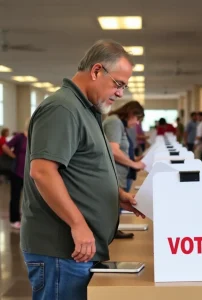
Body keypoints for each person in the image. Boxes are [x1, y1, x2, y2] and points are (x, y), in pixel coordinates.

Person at [20, 40, 145, 300]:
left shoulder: (86, 109)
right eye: (118, 84)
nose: (121, 94)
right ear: (97, 71)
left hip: (75, 250)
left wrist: (116, 193)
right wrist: (78, 225)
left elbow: (80, 168)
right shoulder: (62, 108)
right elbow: (42, 172)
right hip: (61, 249)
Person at [103, 101, 146, 239]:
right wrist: (134, 165)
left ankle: (113, 231)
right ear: (131, 113)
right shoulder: (114, 122)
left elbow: (121, 150)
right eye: (137, 119)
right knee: (110, 208)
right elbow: (113, 150)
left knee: (115, 208)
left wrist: (135, 159)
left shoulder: (118, 124)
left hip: (119, 175)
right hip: (113, 175)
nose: (137, 123)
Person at [2, 121, 28, 229]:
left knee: (28, 197)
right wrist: (13, 156)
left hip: (28, 173)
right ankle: (14, 219)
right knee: (15, 196)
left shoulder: (33, 137)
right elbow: (5, 146)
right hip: (17, 172)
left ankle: (26, 217)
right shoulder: (20, 137)